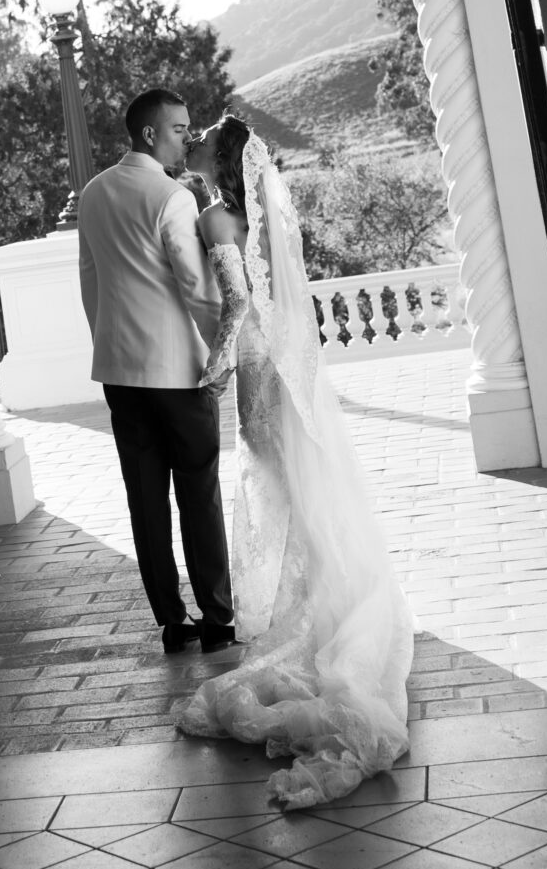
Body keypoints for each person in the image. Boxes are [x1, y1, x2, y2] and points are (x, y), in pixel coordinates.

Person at [171, 114, 413, 808]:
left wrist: (214, 371)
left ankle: (313, 620)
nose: (193, 144)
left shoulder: (215, 220)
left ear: (221, 160)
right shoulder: (263, 218)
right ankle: (331, 604)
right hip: (289, 369)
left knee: (280, 493)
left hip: (256, 370)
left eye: (201, 140)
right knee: (303, 499)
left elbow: (237, 304)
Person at [76, 87, 237, 655]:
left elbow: (90, 281)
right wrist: (222, 350)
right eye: (178, 129)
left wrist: (109, 344)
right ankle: (217, 621)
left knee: (145, 500)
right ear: (150, 134)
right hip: (177, 373)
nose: (186, 139)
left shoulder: (93, 193)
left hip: (119, 372)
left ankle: (172, 622)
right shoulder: (172, 197)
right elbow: (199, 291)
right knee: (199, 494)